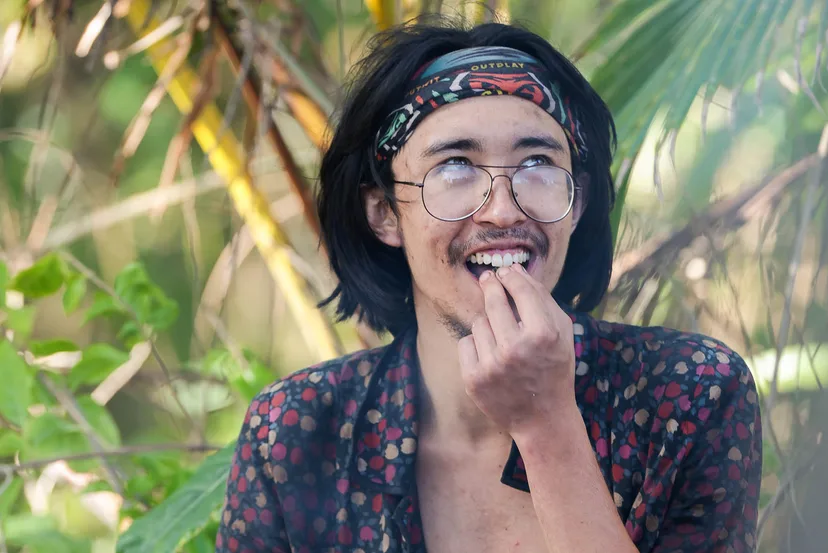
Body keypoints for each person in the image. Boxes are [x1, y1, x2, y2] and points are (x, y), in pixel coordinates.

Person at [215, 19, 762, 553]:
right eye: (455, 167)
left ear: (579, 203)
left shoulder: (690, 395)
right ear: (384, 213)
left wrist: (546, 425)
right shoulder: (294, 434)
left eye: (538, 164)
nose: (502, 210)